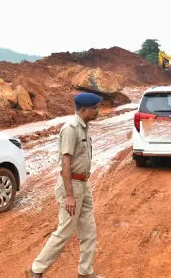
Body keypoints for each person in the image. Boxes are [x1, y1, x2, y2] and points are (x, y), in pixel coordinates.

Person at [28, 93, 102, 278]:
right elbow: (66, 163)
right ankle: (36, 270)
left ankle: (85, 272)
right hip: (72, 186)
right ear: (84, 110)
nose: (97, 111)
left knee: (89, 231)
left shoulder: (85, 127)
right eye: (94, 108)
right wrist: (69, 195)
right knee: (64, 232)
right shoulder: (70, 129)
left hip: (83, 185)